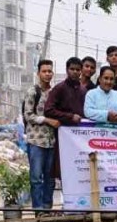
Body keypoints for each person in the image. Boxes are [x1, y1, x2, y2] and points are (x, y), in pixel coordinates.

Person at [24, 59, 60, 211]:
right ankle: (38, 210)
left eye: (49, 71)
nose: (47, 74)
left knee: (50, 179)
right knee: (36, 178)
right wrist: (47, 120)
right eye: (44, 71)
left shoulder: (55, 93)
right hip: (36, 141)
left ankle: (47, 208)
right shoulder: (33, 92)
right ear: (38, 73)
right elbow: (28, 115)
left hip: (51, 141)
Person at [44, 56, 86, 180]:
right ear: (67, 70)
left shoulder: (83, 90)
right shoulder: (59, 88)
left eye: (78, 70)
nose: (75, 72)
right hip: (63, 136)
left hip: (80, 137)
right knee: (64, 170)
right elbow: (48, 110)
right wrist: (69, 116)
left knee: (80, 169)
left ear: (81, 71)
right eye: (72, 69)